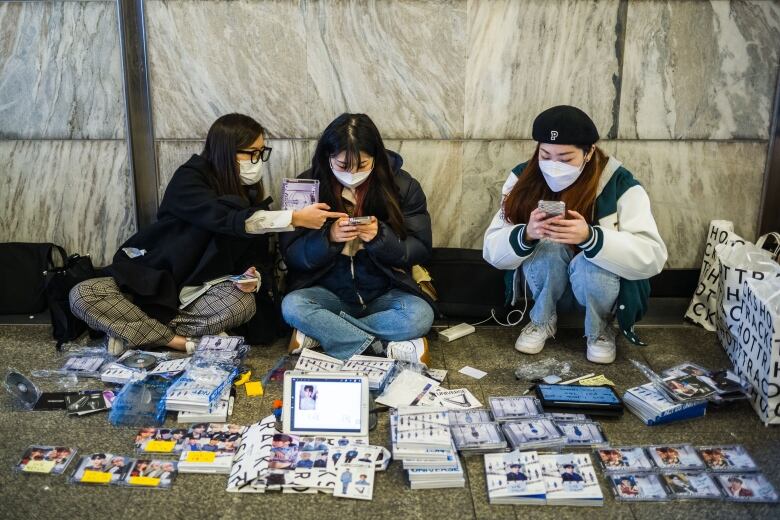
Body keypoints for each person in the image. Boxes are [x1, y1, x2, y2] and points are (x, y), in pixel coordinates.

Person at [70, 113, 342, 355]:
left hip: (201, 294)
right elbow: (226, 219)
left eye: (261, 153)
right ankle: (177, 341)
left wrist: (253, 278)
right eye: (252, 153)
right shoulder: (190, 179)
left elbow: (257, 257)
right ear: (226, 151)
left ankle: (135, 332)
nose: (258, 162)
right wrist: (293, 217)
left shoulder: (248, 191)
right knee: (83, 294)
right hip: (153, 282)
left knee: (243, 304)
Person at [483, 105, 667, 364]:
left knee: (589, 260)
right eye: (545, 155)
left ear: (589, 152)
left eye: (566, 158)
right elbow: (491, 250)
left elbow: (653, 257)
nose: (553, 165)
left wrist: (591, 239)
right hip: (545, 285)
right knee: (548, 246)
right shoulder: (523, 176)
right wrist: (526, 234)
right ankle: (541, 321)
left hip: (598, 288)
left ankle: (600, 330)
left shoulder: (620, 183)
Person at [280, 113, 435, 362]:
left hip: (384, 289)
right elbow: (292, 254)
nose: (352, 173)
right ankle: (381, 347)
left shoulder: (403, 186)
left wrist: (379, 237)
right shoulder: (307, 186)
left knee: (420, 315)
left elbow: (420, 248)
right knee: (293, 306)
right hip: (327, 290)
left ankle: (326, 334)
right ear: (328, 157)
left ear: (376, 157)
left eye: (362, 164)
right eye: (343, 165)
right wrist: (329, 237)